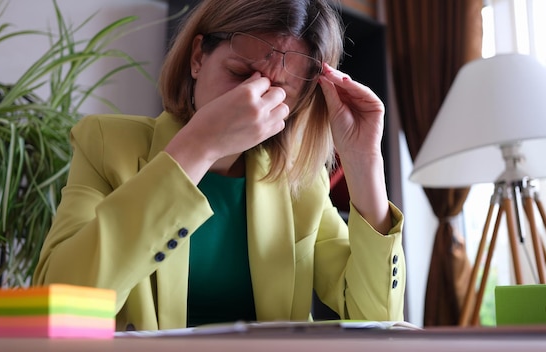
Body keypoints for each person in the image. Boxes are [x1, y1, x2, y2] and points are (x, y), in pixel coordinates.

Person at [33, 0, 405, 331]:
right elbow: (58, 306)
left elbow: (376, 318)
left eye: (279, 92)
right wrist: (199, 146)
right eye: (241, 75)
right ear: (198, 57)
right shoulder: (106, 144)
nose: (252, 100)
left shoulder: (301, 181)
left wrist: (364, 162)